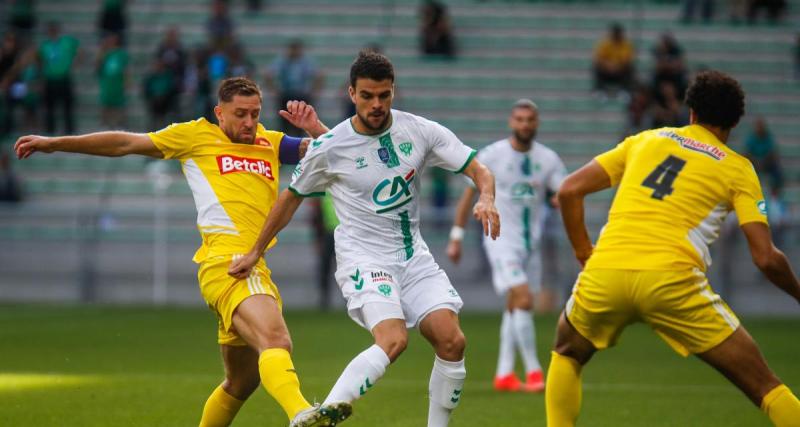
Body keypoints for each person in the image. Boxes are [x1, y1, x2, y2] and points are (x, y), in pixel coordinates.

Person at [14, 76, 351, 427]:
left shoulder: (271, 142)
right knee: (276, 338)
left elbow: (336, 153)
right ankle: (301, 413)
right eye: (240, 114)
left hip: (251, 263)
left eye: (255, 114)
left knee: (242, 381)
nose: (249, 122)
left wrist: (314, 128)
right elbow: (124, 143)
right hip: (228, 262)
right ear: (220, 113)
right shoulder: (194, 135)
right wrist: (55, 143)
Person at [229, 51, 500, 427]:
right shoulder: (329, 147)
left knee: (452, 341)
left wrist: (486, 195)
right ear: (351, 93)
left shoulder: (419, 130)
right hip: (365, 259)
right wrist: (255, 251)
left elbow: (478, 168)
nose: (377, 104)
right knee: (394, 340)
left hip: (413, 257)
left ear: (393, 92)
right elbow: (290, 199)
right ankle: (320, 417)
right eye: (368, 95)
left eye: (384, 95)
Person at [545, 70, 800, 427]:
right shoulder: (738, 169)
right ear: (735, 122)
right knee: (764, 386)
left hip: (607, 270)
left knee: (568, 351)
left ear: (691, 112)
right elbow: (766, 258)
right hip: (672, 279)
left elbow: (569, 190)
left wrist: (584, 252)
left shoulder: (645, 140)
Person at [447, 99, 566, 394]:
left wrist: (559, 198)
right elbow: (467, 194)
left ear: (536, 123)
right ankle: (535, 372)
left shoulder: (548, 159)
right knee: (524, 299)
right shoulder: (493, 155)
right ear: (511, 122)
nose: (524, 124)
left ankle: (504, 374)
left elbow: (562, 190)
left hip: (531, 245)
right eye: (520, 119)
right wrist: (457, 236)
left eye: (530, 119)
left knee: (515, 305)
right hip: (500, 241)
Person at [265, 39, 323, 136]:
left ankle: (299, 143)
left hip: (301, 95)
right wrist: (274, 90)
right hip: (286, 95)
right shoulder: (283, 62)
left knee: (301, 124)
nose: (295, 52)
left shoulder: (305, 62)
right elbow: (268, 74)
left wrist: (314, 91)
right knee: (285, 123)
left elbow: (319, 75)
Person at [38, 22, 79, 134]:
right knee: (50, 107)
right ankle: (50, 130)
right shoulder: (45, 45)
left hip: (64, 78)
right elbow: (41, 61)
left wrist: (75, 61)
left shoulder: (66, 41)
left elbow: (78, 50)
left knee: (67, 106)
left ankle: (69, 130)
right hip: (50, 79)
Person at [592, 23, 635, 98]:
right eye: (614, 34)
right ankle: (599, 90)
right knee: (596, 67)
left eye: (617, 34)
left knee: (630, 68)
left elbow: (627, 60)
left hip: (620, 70)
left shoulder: (626, 45)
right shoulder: (605, 44)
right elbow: (598, 58)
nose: (616, 36)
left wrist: (617, 66)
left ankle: (625, 90)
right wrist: (608, 66)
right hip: (606, 70)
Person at [96, 33, 128, 128]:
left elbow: (125, 69)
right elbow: (98, 67)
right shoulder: (103, 53)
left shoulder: (121, 53)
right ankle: (105, 124)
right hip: (106, 82)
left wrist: (126, 81)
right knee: (106, 103)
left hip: (117, 82)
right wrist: (101, 52)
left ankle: (119, 124)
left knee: (119, 104)